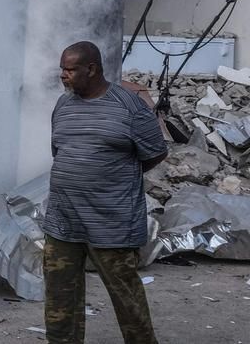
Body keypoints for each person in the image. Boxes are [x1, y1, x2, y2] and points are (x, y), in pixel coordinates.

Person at [43, 41, 168, 344]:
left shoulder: (129, 107)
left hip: (111, 223)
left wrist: (112, 178)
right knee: (59, 301)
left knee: (128, 301)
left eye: (70, 69)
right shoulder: (63, 105)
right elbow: (60, 150)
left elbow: (154, 153)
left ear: (92, 69)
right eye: (62, 69)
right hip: (63, 222)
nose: (63, 75)